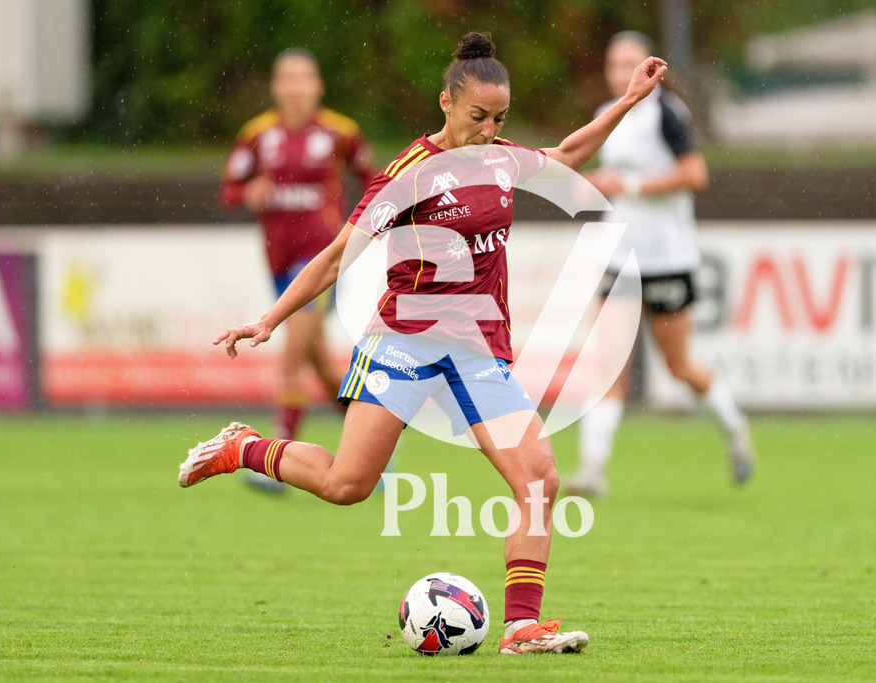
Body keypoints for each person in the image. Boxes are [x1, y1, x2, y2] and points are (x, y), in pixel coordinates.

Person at [182, 32, 667, 655]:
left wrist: (625, 101)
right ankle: (243, 448)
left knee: (538, 480)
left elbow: (568, 153)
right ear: (445, 102)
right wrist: (271, 319)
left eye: (499, 119)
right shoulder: (409, 173)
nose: (489, 130)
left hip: (478, 352)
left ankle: (521, 627)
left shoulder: (498, 157)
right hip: (403, 344)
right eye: (477, 117)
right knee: (347, 484)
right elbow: (335, 260)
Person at [565, 31, 754, 498]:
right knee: (608, 366)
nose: (622, 72)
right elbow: (605, 178)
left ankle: (735, 430)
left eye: (632, 62)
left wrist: (625, 183)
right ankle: (591, 470)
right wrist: (593, 186)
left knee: (678, 367)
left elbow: (695, 174)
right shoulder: (604, 116)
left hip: (668, 260)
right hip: (621, 260)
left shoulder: (667, 112)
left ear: (653, 69)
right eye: (615, 63)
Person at [219, 47, 375, 493]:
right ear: (275, 87)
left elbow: (376, 184)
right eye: (286, 78)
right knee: (323, 366)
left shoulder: (341, 133)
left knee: (290, 358)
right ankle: (372, 447)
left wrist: (364, 231)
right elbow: (230, 188)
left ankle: (274, 461)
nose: (295, 87)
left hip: (323, 261)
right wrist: (249, 193)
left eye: (303, 78)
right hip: (278, 261)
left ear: (318, 86)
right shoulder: (257, 134)